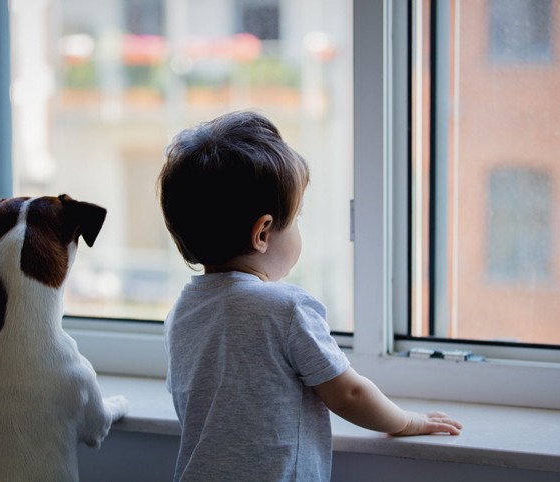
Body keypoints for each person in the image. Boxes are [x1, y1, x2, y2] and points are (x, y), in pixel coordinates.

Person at [158, 110, 462, 481]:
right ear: (263, 232)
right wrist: (408, 421)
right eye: (297, 219)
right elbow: (348, 393)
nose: (299, 229)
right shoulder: (285, 309)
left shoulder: (181, 313)